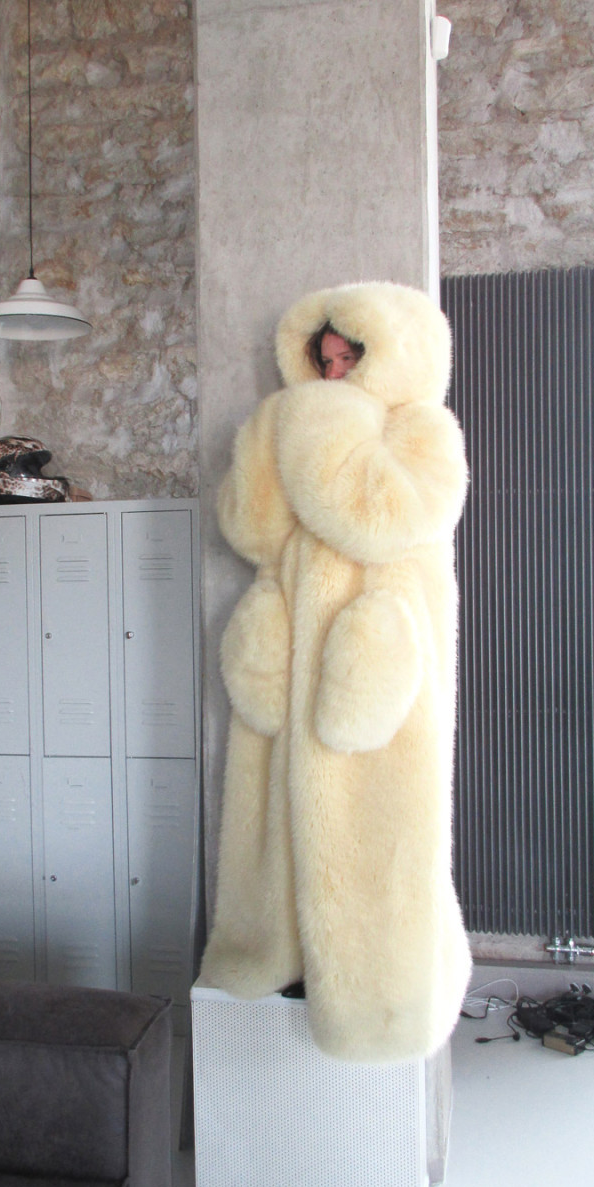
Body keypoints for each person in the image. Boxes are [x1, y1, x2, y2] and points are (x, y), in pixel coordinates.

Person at [199, 282, 472, 1063]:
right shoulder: (302, 422)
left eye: (349, 358)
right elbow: (252, 530)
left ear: (391, 354)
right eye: (323, 362)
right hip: (295, 652)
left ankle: (380, 1007)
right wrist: (267, 436)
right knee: (281, 826)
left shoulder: (425, 431)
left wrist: (314, 417)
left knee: (374, 828)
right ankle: (272, 958)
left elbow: (374, 520)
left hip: (374, 655)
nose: (334, 374)